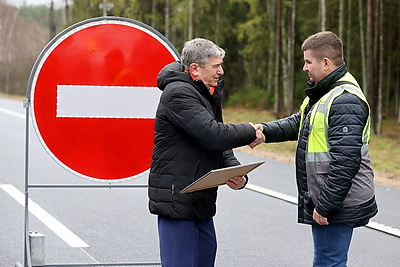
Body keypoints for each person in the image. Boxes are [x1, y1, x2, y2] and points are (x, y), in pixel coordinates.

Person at [255, 31, 378, 266]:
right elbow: (300, 123)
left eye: (308, 62)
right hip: (332, 197)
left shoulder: (344, 100)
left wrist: (325, 206)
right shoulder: (325, 92)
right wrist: (263, 131)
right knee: (327, 259)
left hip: (337, 201)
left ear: (325, 62)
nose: (304, 68)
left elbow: (346, 161)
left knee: (328, 261)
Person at [148, 38, 265, 267]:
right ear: (194, 68)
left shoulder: (205, 92)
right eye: (216, 66)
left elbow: (218, 143)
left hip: (201, 199)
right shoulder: (178, 93)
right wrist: (251, 130)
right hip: (177, 199)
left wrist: (235, 170)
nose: (221, 71)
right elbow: (212, 134)